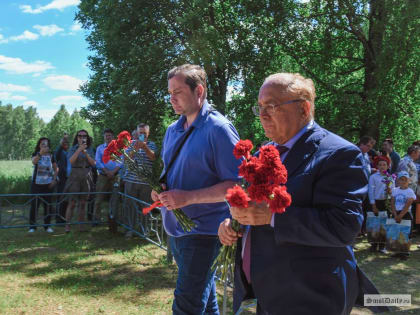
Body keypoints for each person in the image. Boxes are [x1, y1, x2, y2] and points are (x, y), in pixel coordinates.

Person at [218, 73, 386, 314]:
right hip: (264, 291)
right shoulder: (262, 154)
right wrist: (233, 223)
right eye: (260, 107)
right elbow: (254, 210)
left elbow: (344, 226)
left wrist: (272, 217)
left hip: (309, 295)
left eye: (272, 106)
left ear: (304, 109)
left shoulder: (339, 154)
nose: (263, 115)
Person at [151, 64, 241, 315]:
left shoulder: (219, 129)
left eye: (178, 91)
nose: (172, 98)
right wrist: (159, 189)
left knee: (186, 305)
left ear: (199, 90)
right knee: (206, 301)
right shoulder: (172, 130)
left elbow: (237, 185)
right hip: (176, 229)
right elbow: (169, 171)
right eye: (170, 92)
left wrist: (188, 198)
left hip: (205, 232)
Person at [123, 123, 157, 238]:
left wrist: (145, 147)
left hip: (145, 183)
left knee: (145, 207)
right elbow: (126, 160)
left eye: (144, 133)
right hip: (131, 181)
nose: (142, 135)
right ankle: (130, 229)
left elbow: (153, 157)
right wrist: (135, 149)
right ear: (136, 133)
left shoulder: (152, 144)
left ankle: (144, 230)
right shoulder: (130, 144)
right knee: (130, 205)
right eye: (140, 133)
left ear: (148, 133)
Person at [64, 130, 96, 233]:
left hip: (86, 175)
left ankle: (81, 226)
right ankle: (67, 226)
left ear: (87, 138)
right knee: (72, 203)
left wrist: (85, 153)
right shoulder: (72, 148)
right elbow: (70, 161)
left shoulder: (90, 149)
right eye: (80, 136)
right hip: (75, 176)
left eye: (84, 136)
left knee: (83, 203)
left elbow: (93, 163)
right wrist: (79, 150)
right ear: (77, 137)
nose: (82, 137)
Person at [28, 137, 58, 233]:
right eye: (42, 144)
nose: (45, 146)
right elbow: (34, 161)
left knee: (47, 206)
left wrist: (54, 180)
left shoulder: (52, 155)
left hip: (48, 184)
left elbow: (56, 168)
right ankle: (32, 227)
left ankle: (47, 226)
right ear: (39, 145)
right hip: (36, 184)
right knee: (34, 206)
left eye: (46, 144)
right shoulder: (36, 154)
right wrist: (40, 153)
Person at [94, 129, 122, 223]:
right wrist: (107, 171)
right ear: (104, 137)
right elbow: (98, 161)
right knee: (99, 198)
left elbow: (121, 162)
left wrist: (113, 172)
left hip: (116, 176)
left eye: (109, 135)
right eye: (106, 135)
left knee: (114, 199)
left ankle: (113, 220)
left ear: (113, 137)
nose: (108, 137)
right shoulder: (100, 148)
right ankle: (96, 219)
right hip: (103, 176)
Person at [367, 156, 393, 252]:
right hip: (375, 202)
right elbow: (371, 191)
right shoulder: (373, 177)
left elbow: (393, 192)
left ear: (387, 166)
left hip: (386, 202)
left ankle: (382, 245)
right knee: (374, 224)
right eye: (380, 165)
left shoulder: (390, 177)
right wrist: (373, 205)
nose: (382, 166)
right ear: (377, 166)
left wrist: (390, 191)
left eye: (384, 165)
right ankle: (373, 244)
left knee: (384, 224)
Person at [390, 171, 416, 259]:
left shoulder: (410, 191)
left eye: (405, 180)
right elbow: (392, 202)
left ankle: (405, 252)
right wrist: (394, 214)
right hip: (396, 213)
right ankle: (397, 251)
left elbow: (408, 204)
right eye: (401, 179)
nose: (403, 181)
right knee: (397, 232)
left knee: (405, 233)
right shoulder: (395, 190)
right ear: (398, 181)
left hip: (406, 214)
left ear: (409, 181)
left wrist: (400, 215)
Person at [54, 135, 69, 224]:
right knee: (60, 199)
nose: (65, 144)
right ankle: (58, 219)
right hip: (61, 180)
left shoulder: (67, 152)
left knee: (66, 199)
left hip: (67, 178)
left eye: (67, 143)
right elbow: (56, 157)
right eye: (64, 143)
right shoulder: (58, 152)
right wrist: (62, 141)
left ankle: (63, 217)